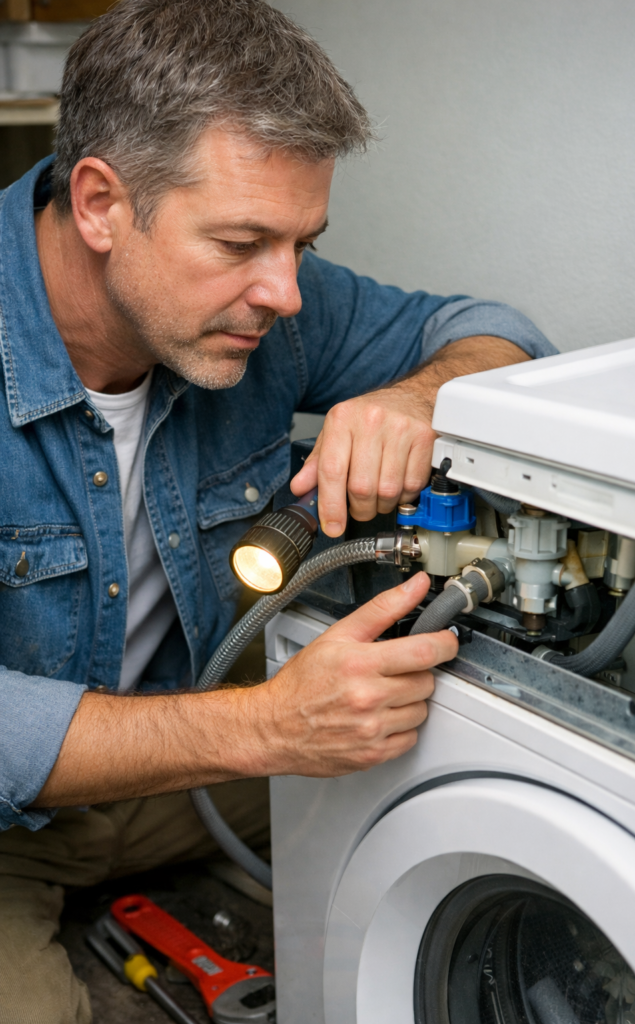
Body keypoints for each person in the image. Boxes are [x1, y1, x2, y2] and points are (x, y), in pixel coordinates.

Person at [0, 0, 556, 1019]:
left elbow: (496, 333)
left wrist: (416, 397)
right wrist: (261, 725)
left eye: (302, 243)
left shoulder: (267, 308)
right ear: (99, 203)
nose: (287, 293)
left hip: (179, 781)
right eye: (243, 241)